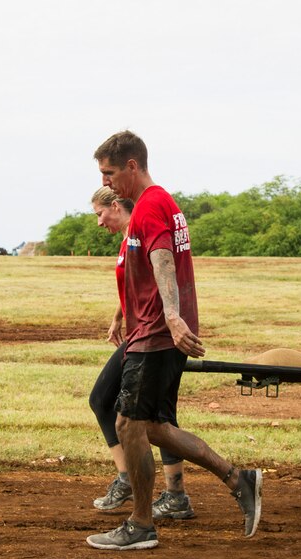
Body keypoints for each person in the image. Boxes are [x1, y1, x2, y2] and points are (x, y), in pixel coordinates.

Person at [86, 130, 262, 550]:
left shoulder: (149, 206)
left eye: (110, 173)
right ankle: (239, 480)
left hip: (156, 335)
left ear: (132, 165)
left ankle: (141, 525)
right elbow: (143, 267)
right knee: (155, 427)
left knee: (128, 423)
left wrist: (170, 316)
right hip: (155, 331)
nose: (107, 182)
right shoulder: (160, 202)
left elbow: (162, 259)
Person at [88, 187, 195, 520]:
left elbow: (160, 275)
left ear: (115, 206)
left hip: (152, 334)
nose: (98, 221)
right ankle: (171, 492)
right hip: (143, 330)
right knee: (153, 414)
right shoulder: (127, 239)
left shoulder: (142, 227)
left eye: (99, 213)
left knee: (110, 401)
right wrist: (119, 315)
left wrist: (172, 319)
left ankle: (133, 481)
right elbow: (137, 284)